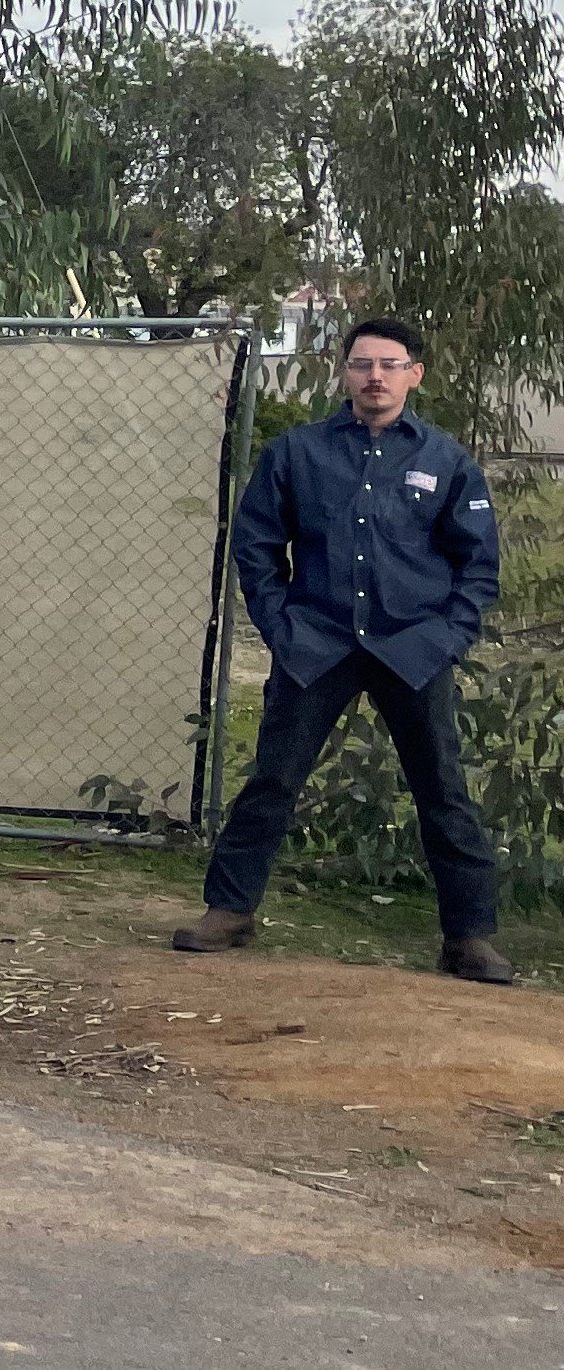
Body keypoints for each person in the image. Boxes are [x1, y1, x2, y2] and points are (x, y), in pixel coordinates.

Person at [183, 319, 512, 984]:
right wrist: (281, 625)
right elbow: (256, 546)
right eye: (363, 364)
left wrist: (446, 637)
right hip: (317, 645)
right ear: (345, 373)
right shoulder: (296, 453)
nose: (376, 377)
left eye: (390, 365)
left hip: (413, 650)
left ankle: (469, 936)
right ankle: (230, 909)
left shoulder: (447, 463)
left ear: (415, 374)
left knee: (444, 791)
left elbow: (477, 566)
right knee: (273, 779)